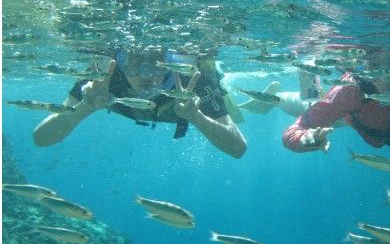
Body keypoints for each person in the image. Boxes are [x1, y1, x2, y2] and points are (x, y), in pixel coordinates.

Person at [33, 46, 247, 159]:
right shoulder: (103, 78)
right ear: (119, 61)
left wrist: (197, 117)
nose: (147, 75)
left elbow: (238, 149)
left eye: (158, 64)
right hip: (158, 110)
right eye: (134, 62)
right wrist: (83, 108)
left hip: (185, 109)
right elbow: (41, 138)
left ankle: (229, 94)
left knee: (233, 113)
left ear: (170, 64)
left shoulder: (193, 82)